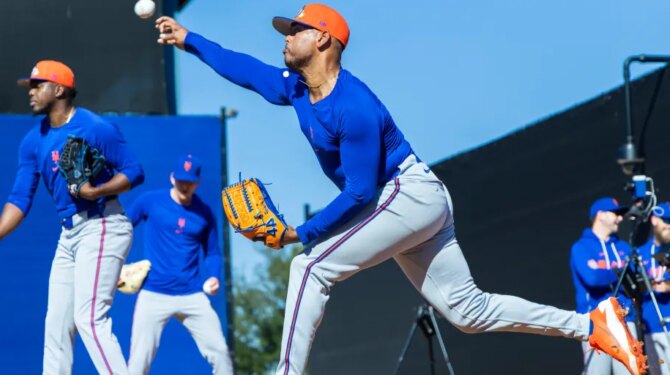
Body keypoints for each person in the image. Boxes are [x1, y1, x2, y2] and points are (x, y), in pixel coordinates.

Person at [153, 4, 646, 374]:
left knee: (309, 266)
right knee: (468, 311)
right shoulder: (297, 87)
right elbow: (245, 70)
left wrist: (298, 232)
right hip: (406, 203)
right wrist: (189, 38)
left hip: (406, 195)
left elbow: (361, 194)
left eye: (296, 29)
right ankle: (594, 325)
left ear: (323, 40)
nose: (286, 36)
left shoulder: (355, 106)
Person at [0, 60, 144, 374]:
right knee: (57, 325)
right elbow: (20, 198)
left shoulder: (95, 128)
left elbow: (134, 171)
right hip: (69, 235)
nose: (32, 91)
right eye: (32, 86)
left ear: (59, 89)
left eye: (37, 85)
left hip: (103, 223)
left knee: (90, 318)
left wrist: (98, 190)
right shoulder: (33, 141)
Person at [126, 155, 233, 375]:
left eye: (190, 181)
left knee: (220, 351)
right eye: (181, 180)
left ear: (198, 182)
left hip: (192, 294)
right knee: (139, 360)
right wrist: (116, 265)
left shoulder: (204, 213)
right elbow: (123, 229)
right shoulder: (150, 201)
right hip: (154, 292)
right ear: (172, 177)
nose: (185, 185)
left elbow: (212, 252)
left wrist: (214, 275)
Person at [570, 197, 636, 374]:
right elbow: (592, 279)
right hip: (594, 321)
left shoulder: (624, 248)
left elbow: (635, 282)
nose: (620, 219)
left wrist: (604, 272)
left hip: (625, 321)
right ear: (600, 215)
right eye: (616, 214)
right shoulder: (581, 247)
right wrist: (620, 272)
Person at [638, 202, 670, 374]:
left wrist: (667, 286)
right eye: (666, 220)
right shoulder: (640, 253)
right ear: (654, 220)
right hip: (651, 325)